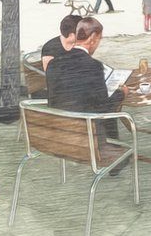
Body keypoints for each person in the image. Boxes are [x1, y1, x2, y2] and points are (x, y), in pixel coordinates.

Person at [46, 17, 130, 173]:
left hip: (57, 139)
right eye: (99, 39)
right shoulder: (94, 66)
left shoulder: (53, 64)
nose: (98, 44)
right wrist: (121, 93)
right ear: (92, 38)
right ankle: (115, 162)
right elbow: (105, 109)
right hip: (85, 142)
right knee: (109, 111)